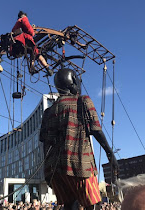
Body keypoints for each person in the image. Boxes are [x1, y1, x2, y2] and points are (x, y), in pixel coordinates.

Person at [39, 69, 119, 210]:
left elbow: (45, 142)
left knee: (70, 205)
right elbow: (96, 129)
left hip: (55, 170)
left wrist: (47, 171)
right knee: (92, 204)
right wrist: (109, 153)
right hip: (79, 165)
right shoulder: (82, 101)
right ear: (73, 82)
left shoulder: (48, 112)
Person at [12, 11, 53, 76]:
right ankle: (47, 68)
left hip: (18, 43)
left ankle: (34, 68)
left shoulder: (16, 25)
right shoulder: (23, 19)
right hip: (25, 40)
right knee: (35, 52)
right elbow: (28, 27)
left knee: (33, 52)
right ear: (23, 15)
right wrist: (32, 32)